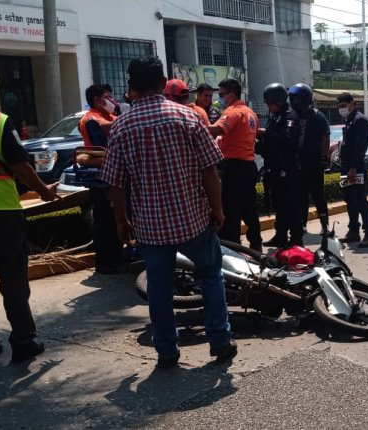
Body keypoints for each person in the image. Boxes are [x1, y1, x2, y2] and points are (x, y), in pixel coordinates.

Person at [99, 56, 236, 368]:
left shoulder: (121, 127)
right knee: (211, 276)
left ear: (131, 88)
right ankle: (220, 340)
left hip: (150, 227)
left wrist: (121, 220)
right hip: (193, 219)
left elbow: (115, 184)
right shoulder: (188, 119)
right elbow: (210, 170)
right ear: (163, 84)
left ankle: (166, 351)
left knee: (159, 288)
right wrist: (217, 208)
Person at [0, 80, 60, 364]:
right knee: (13, 279)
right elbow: (20, 165)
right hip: (0, 212)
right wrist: (43, 191)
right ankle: (24, 341)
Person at [208, 78, 262, 252]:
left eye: (222, 94)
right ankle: (256, 244)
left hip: (234, 167)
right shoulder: (250, 112)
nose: (220, 98)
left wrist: (192, 124)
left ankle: (233, 249)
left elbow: (216, 130)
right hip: (248, 165)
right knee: (249, 208)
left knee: (231, 210)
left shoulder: (232, 112)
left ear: (231, 94)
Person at [78, 84, 124, 274]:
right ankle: (105, 262)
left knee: (117, 219)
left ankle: (117, 257)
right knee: (105, 220)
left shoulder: (109, 116)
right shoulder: (91, 119)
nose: (111, 100)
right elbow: (102, 145)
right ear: (97, 100)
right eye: (108, 96)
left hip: (113, 172)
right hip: (102, 174)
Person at [256, 83, 304, 247]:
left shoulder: (290, 117)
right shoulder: (275, 117)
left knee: (291, 205)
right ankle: (280, 235)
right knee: (279, 205)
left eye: (270, 103)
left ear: (279, 101)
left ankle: (296, 238)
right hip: (274, 168)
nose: (268, 107)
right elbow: (270, 142)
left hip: (287, 169)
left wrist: (265, 133)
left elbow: (287, 141)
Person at [288, 83, 330, 234]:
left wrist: (324, 157)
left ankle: (325, 225)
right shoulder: (291, 116)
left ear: (306, 99)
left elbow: (325, 138)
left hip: (313, 162)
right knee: (300, 196)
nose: (294, 102)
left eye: (298, 99)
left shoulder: (318, 116)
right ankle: (302, 224)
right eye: (292, 99)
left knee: (318, 194)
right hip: (297, 163)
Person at [336, 93, 368, 248]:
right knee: (349, 200)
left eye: (343, 106)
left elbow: (360, 147)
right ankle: (353, 231)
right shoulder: (349, 120)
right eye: (339, 107)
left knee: (360, 201)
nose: (341, 109)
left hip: (355, 167)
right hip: (346, 166)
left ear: (352, 104)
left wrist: (353, 167)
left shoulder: (360, 120)